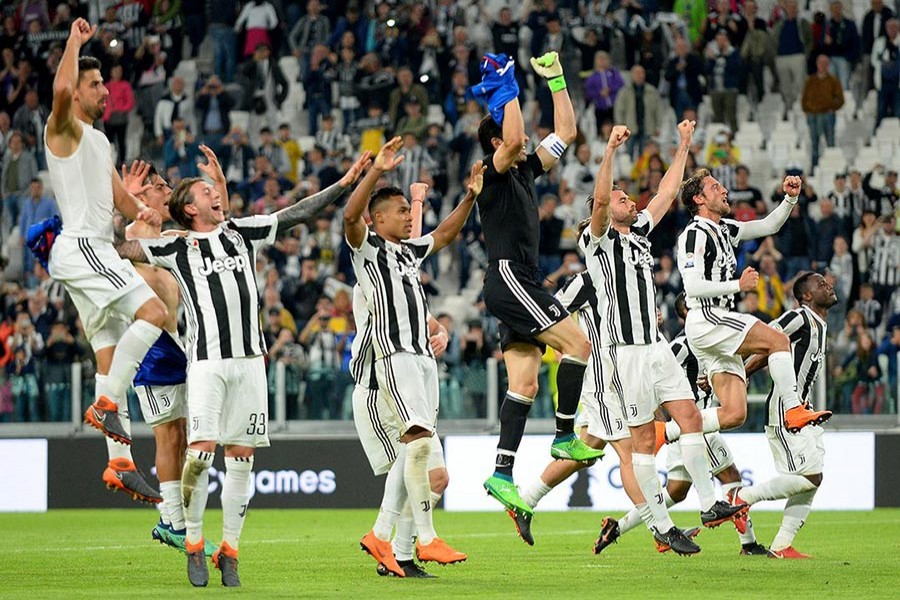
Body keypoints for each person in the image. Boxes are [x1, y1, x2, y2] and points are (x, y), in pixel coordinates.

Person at [116, 148, 371, 587]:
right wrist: (127, 202)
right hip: (208, 364)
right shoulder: (175, 245)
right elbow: (116, 250)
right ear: (190, 208)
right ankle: (193, 543)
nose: (217, 194)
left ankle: (229, 551)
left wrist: (345, 183)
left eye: (217, 189)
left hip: (251, 365)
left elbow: (295, 213)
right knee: (198, 455)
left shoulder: (240, 232)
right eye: (206, 191)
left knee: (241, 462)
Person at [584, 121, 746, 556]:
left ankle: (710, 503)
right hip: (626, 354)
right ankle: (660, 524)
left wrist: (684, 145)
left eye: (626, 195)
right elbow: (600, 199)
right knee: (642, 444)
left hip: (655, 345)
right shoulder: (595, 240)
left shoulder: (637, 232)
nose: (627, 199)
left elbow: (667, 193)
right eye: (621, 197)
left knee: (690, 417)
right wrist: (609, 152)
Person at [44, 20, 169, 499]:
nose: (105, 91)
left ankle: (118, 461)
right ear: (74, 93)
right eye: (95, 84)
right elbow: (58, 86)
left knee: (111, 353)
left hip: (90, 250)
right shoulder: (65, 130)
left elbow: (120, 197)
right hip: (84, 247)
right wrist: (74, 42)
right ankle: (106, 403)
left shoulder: (97, 140)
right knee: (155, 313)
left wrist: (140, 206)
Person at [473, 52, 598, 527]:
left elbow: (566, 133)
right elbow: (512, 139)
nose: (525, 137)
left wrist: (557, 80)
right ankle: (564, 433)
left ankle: (502, 473)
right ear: (497, 140)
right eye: (515, 133)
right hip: (510, 277)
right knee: (578, 344)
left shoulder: (526, 170)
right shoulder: (495, 169)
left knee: (523, 384)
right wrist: (507, 91)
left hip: (517, 281)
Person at [345, 137, 475, 571]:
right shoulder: (367, 250)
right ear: (377, 219)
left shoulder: (407, 254)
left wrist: (471, 196)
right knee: (415, 442)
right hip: (393, 357)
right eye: (401, 211)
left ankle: (385, 540)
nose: (409, 216)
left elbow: (444, 233)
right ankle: (424, 538)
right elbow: (349, 216)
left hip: (422, 360)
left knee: (422, 458)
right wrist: (376, 172)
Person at [595, 293, 769, 557]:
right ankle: (749, 544)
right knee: (731, 477)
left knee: (676, 492)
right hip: (695, 428)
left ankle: (617, 527)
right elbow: (650, 382)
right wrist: (662, 423)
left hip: (689, 430)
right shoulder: (681, 346)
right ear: (688, 311)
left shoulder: (709, 341)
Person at [671, 170, 832, 451]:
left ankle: (667, 431)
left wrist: (789, 200)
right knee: (777, 340)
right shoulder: (694, 234)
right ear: (699, 199)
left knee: (734, 414)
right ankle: (794, 409)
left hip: (717, 323)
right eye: (715, 187)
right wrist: (738, 284)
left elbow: (769, 225)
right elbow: (693, 287)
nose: (724, 191)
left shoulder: (724, 229)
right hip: (707, 317)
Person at [736, 272, 839, 558]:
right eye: (820, 284)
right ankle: (742, 498)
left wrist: (745, 371)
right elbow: (765, 338)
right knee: (811, 477)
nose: (828, 286)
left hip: (804, 411)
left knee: (812, 479)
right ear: (806, 296)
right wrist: (739, 371)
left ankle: (782, 545)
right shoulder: (800, 317)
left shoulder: (820, 324)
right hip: (785, 410)